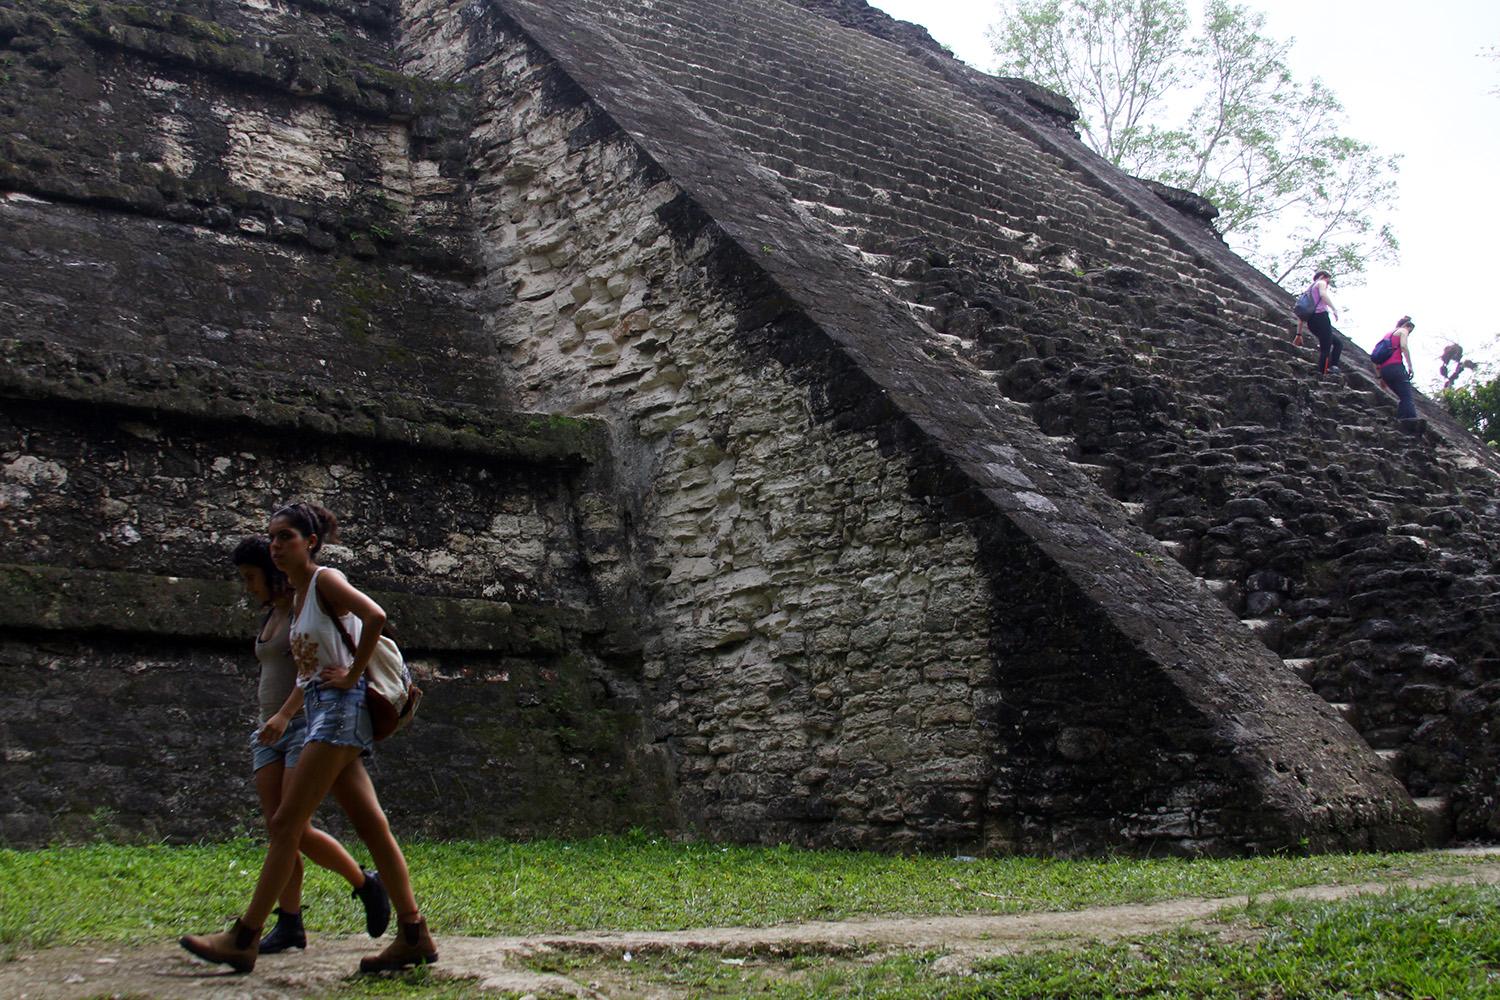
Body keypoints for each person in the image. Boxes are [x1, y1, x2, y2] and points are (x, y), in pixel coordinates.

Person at [182, 504, 437, 975]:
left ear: (310, 542)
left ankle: (244, 937)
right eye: (273, 538)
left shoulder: (324, 581)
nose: (276, 546)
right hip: (323, 711)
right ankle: (413, 933)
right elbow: (310, 667)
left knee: (285, 824)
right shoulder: (298, 597)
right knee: (371, 825)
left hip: (339, 713)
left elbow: (375, 615)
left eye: (286, 537)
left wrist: (353, 674)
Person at [231, 537, 390, 955]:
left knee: (292, 827)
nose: (248, 587)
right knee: (281, 830)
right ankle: (290, 922)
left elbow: (313, 670)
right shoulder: (277, 615)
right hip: (269, 731)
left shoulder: (310, 602)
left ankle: (362, 883)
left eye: (251, 577)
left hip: (304, 724)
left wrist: (286, 713)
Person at [1297, 270, 1342, 375]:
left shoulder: (1308, 291)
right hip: (1321, 317)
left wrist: (1298, 334)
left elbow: (1300, 315)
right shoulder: (1321, 282)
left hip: (1311, 322)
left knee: (1337, 343)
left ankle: (1332, 367)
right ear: (1322, 276)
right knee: (1326, 347)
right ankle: (1323, 372)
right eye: (1328, 280)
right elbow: (1323, 295)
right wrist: (1334, 309)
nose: (1328, 283)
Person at [1375, 316, 1418, 420]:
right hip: (1396, 367)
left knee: (1403, 397)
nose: (1409, 333)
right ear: (1407, 326)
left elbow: (1375, 358)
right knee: (1407, 397)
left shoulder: (1387, 335)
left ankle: (1401, 420)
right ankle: (1408, 422)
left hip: (1385, 371)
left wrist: (1380, 377)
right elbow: (1403, 346)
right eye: (1410, 331)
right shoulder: (1403, 330)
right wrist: (1410, 366)